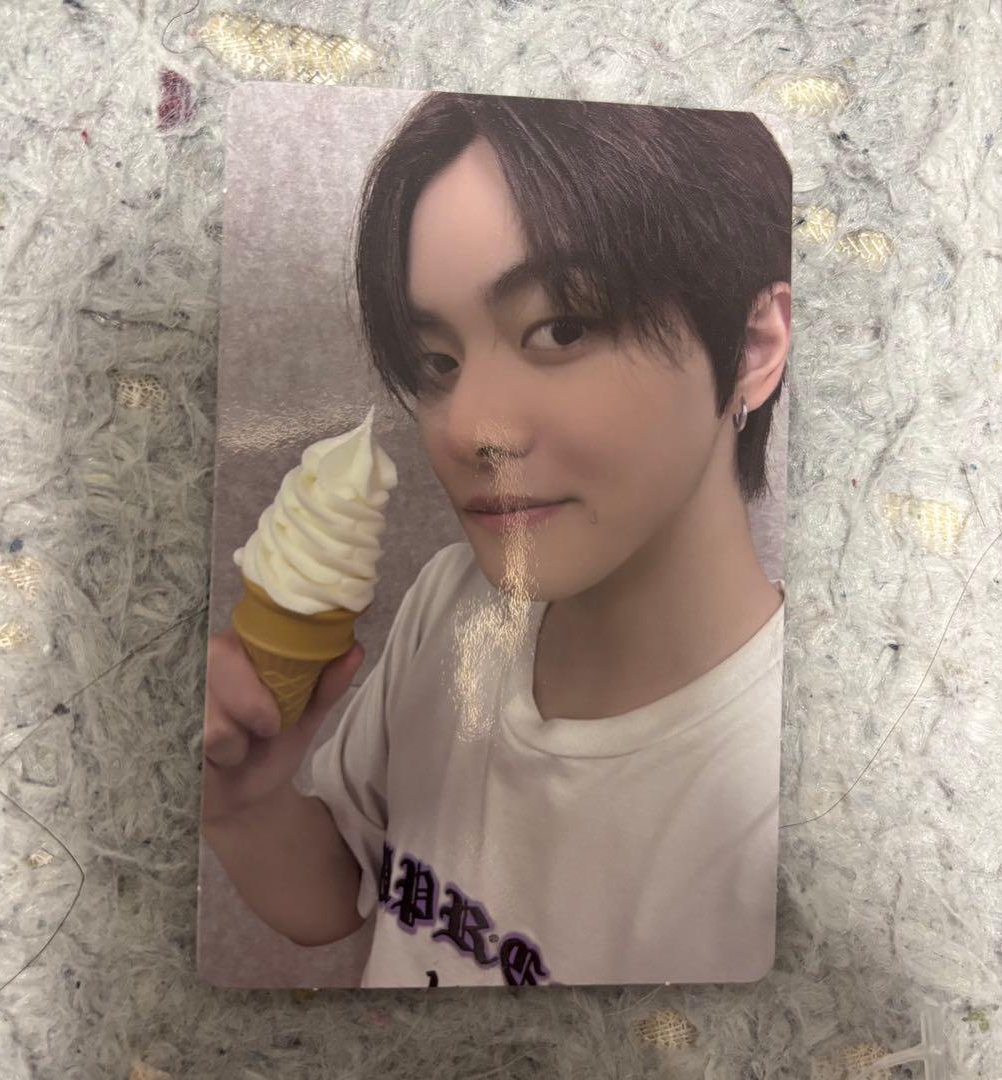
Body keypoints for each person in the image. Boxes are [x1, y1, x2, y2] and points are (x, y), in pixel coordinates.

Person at [202, 92, 792, 988]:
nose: (468, 428)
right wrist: (242, 804)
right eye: (437, 362)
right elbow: (344, 896)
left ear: (751, 345)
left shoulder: (790, 796)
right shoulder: (452, 602)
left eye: (562, 328)